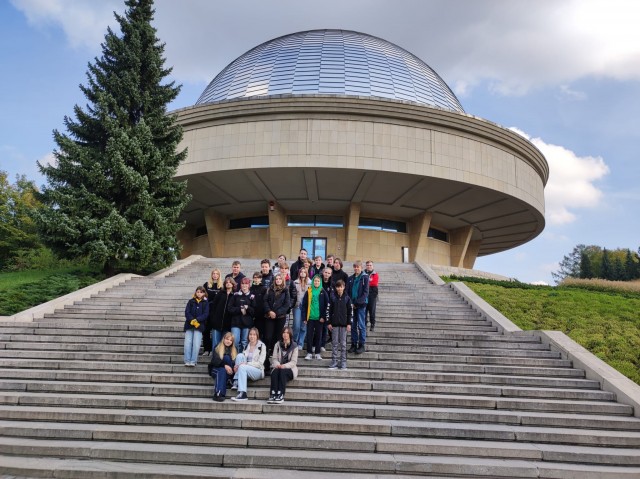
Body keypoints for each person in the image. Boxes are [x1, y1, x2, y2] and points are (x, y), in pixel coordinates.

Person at [231, 327, 266, 401]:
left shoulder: (262, 346)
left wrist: (246, 364)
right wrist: (236, 366)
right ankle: (236, 380)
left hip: (258, 371)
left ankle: (243, 394)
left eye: (254, 334)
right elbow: (242, 360)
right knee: (239, 355)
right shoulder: (247, 346)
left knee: (243, 367)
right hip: (247, 370)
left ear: (257, 336)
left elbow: (260, 364)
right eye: (250, 334)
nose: (252, 336)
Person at [263, 273, 291, 362]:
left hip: (280, 317)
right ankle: (266, 354)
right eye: (277, 279)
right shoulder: (269, 289)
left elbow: (287, 305)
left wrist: (276, 313)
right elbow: (265, 301)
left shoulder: (286, 291)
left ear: (282, 280)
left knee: (278, 336)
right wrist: (269, 311)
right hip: (269, 316)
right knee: (268, 336)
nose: (278, 280)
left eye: (280, 279)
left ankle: (276, 354)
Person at [302, 274, 329, 360]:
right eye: (315, 281)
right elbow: (304, 305)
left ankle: (317, 352)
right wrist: (304, 318)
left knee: (319, 335)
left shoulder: (323, 292)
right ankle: (309, 352)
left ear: (320, 282)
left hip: (319, 318)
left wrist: (323, 317)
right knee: (309, 335)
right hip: (310, 318)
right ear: (312, 282)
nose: (316, 282)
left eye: (318, 281)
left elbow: (327, 306)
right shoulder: (309, 291)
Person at [268, 326, 298, 404]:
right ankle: (273, 393)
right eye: (284, 332)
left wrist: (284, 366)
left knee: (282, 372)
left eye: (287, 333)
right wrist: (278, 365)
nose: (285, 334)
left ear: (290, 334)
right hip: (278, 367)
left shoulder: (294, 346)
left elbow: (293, 362)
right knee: (275, 372)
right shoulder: (277, 344)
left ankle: (280, 394)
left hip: (290, 369)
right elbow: (274, 358)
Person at [328, 279, 352, 370]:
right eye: (338, 287)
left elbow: (350, 312)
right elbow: (328, 311)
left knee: (343, 344)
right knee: (334, 343)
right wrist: (329, 322)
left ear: (344, 287)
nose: (339, 289)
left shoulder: (347, 298)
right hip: (334, 324)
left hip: (344, 324)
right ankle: (334, 361)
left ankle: (343, 362)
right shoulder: (333, 298)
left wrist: (349, 323)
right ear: (336, 288)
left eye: (341, 287)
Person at [347, 260, 370, 355]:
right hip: (352, 306)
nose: (356, 268)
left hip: (360, 306)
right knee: (352, 325)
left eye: (358, 267)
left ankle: (361, 344)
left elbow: (365, 293)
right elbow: (347, 292)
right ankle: (353, 344)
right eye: (355, 267)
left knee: (361, 325)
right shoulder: (350, 278)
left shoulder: (365, 278)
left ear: (361, 267)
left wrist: (356, 303)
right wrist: (350, 303)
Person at [184, 286, 209, 366]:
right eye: (198, 292)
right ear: (195, 292)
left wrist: (197, 320)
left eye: (201, 292)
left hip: (199, 326)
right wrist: (191, 320)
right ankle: (187, 360)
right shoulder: (191, 301)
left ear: (204, 293)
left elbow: (205, 314)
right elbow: (187, 312)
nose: (199, 293)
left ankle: (193, 361)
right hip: (189, 325)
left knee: (196, 344)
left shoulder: (205, 303)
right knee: (187, 343)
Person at [208, 332, 237, 402]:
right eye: (227, 339)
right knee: (222, 370)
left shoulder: (234, 350)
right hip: (215, 369)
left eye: (231, 340)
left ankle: (219, 393)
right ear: (223, 339)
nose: (228, 341)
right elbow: (214, 361)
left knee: (225, 362)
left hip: (229, 372)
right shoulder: (217, 347)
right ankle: (219, 393)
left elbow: (234, 363)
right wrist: (224, 366)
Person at [228, 277, 254, 352]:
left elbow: (254, 311)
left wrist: (248, 308)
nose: (244, 285)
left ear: (249, 285)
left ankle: (243, 358)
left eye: (246, 284)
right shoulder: (235, 295)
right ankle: (234, 358)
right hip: (236, 323)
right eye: (242, 284)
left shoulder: (252, 296)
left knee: (244, 342)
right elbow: (229, 308)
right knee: (235, 341)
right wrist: (240, 309)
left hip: (247, 323)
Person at [209, 277, 235, 347]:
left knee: (224, 345)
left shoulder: (235, 295)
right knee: (215, 343)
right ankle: (215, 358)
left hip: (227, 325)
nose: (228, 284)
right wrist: (213, 319)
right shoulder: (220, 294)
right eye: (227, 282)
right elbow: (213, 306)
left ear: (233, 284)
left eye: (230, 282)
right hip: (217, 323)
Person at [202, 269, 222, 354]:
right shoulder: (206, 285)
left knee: (214, 332)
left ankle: (214, 349)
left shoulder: (221, 286)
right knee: (206, 330)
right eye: (213, 273)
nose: (215, 275)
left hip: (217, 312)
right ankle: (207, 349)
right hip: (207, 311)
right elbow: (203, 297)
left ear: (219, 275)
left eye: (216, 274)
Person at [291, 268, 311, 351]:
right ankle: (294, 341)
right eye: (301, 272)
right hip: (297, 306)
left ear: (307, 273)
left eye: (304, 272)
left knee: (303, 326)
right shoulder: (295, 282)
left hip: (306, 307)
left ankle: (300, 343)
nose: (303, 273)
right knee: (296, 325)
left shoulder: (310, 283)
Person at [250, 271, 268, 340]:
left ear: (261, 279)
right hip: (251, 314)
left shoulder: (264, 289)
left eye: (258, 278)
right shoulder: (251, 289)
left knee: (260, 333)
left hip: (261, 315)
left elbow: (265, 302)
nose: (256, 279)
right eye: (255, 278)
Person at [365, 260, 379, 332]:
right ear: (366, 266)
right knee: (364, 311)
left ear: (372, 266)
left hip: (372, 295)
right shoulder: (363, 273)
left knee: (372, 311)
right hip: (364, 295)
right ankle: (364, 324)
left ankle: (372, 324)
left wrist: (366, 282)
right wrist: (369, 282)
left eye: (370, 265)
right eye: (368, 265)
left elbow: (374, 283)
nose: (369, 266)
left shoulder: (375, 274)